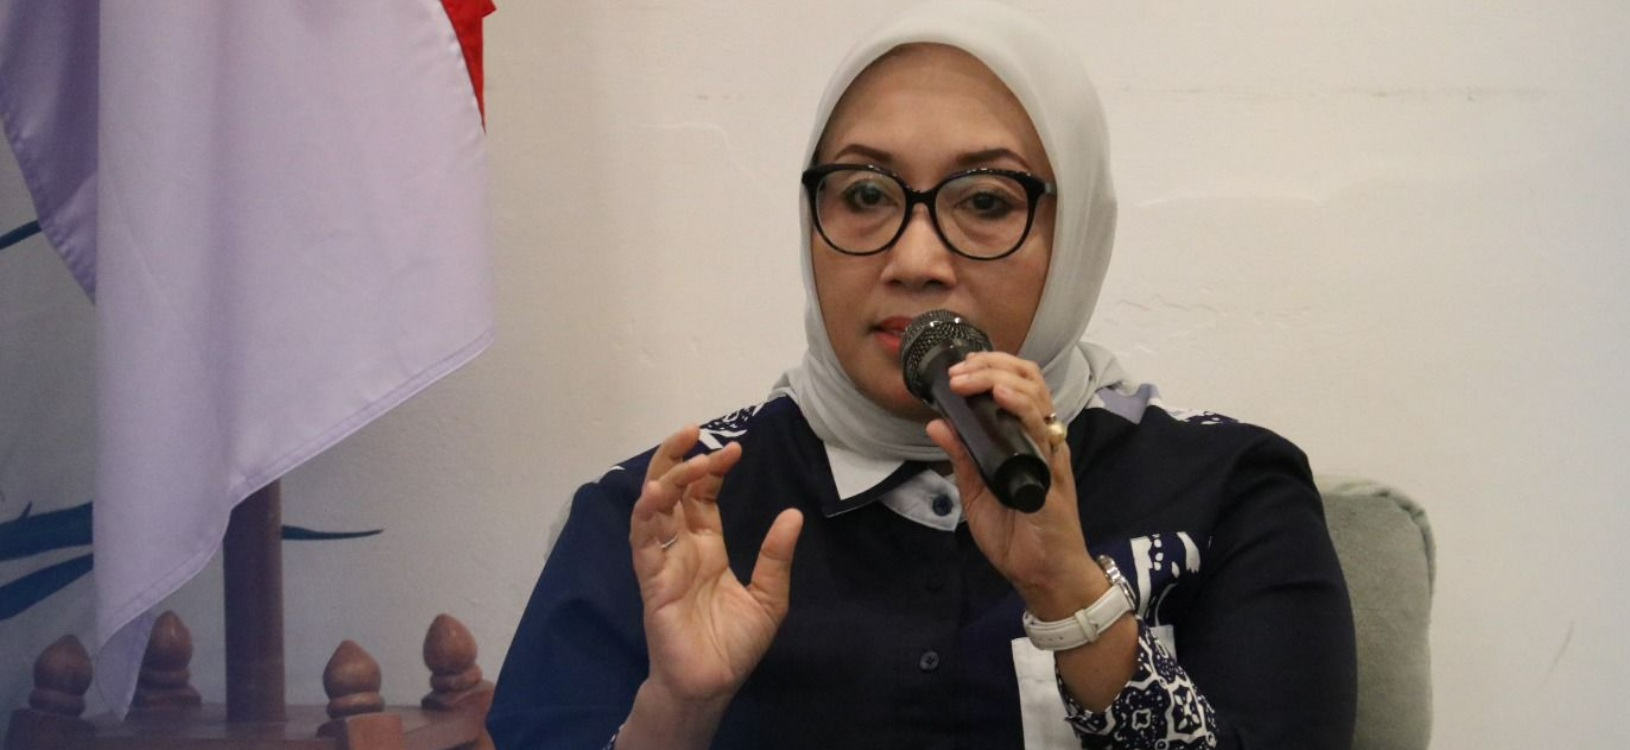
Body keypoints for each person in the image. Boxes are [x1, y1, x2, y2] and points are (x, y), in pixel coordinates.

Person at [487, 3, 1356, 748]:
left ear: (1077, 232)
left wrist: (1075, 600)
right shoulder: (670, 515)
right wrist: (678, 711)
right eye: (865, 195)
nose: (914, 261)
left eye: (985, 202)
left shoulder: (1227, 491)